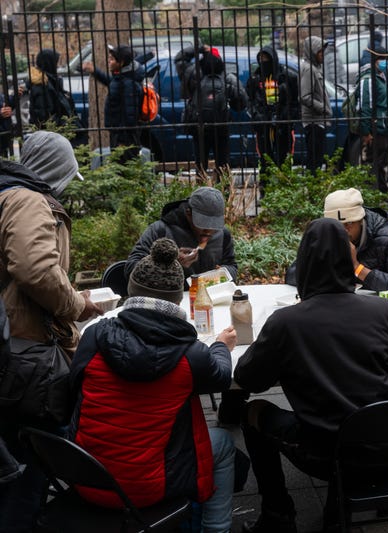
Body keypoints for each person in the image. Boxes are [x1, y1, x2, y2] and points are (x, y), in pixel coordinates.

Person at [234, 218, 388, 532]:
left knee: (251, 413)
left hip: (324, 454)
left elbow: (248, 380)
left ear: (304, 263)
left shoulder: (286, 322)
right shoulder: (385, 312)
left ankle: (278, 516)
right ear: (350, 262)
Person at [69, 238, 237, 533]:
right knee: (223, 442)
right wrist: (221, 346)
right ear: (177, 299)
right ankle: (216, 529)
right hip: (149, 489)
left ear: (132, 291)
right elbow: (222, 377)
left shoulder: (94, 336)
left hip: (82, 475)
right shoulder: (191, 355)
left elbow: (72, 393)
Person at [0, 131, 104, 532]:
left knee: (16, 458)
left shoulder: (9, 194)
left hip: (11, 341)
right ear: (56, 170)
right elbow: (35, 270)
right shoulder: (26, 199)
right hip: (25, 351)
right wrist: (77, 304)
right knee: (32, 463)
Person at [286, 188, 388, 298]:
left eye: (349, 224)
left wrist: (357, 268)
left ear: (361, 220)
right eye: (336, 226)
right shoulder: (325, 235)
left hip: (377, 309)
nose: (343, 231)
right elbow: (292, 275)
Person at [125, 186, 237, 284]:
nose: (209, 231)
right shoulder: (160, 230)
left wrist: (223, 273)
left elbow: (231, 265)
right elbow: (131, 268)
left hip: (211, 301)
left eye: (214, 225)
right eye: (203, 224)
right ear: (188, 213)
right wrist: (171, 263)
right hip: (169, 302)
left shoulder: (223, 234)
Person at [183, 46, 248, 178]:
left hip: (199, 128)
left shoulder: (195, 77)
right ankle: (224, 193)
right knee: (223, 164)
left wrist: (199, 48)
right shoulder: (228, 78)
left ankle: (200, 193)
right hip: (221, 128)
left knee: (201, 165)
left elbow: (180, 59)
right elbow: (242, 102)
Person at [83, 44, 144, 163]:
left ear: (121, 63)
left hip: (124, 136)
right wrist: (94, 71)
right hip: (117, 132)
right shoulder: (122, 77)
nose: (108, 61)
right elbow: (112, 84)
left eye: (112, 59)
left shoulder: (128, 84)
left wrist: (122, 140)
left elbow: (130, 115)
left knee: (124, 166)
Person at [246, 45, 299, 174]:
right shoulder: (255, 78)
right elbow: (249, 101)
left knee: (284, 160)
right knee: (265, 160)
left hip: (283, 124)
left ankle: (285, 187)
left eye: (266, 58)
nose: (264, 62)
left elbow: (295, 101)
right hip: (263, 125)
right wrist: (256, 115)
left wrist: (288, 117)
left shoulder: (287, 76)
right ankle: (265, 189)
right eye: (261, 59)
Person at [354, 45, 388, 192]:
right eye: (384, 59)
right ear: (376, 60)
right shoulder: (369, 79)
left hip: (382, 128)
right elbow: (366, 107)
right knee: (374, 165)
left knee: (380, 164)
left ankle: (382, 195)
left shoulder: (379, 76)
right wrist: (366, 132)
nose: (386, 62)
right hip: (375, 130)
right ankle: (377, 196)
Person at [299, 36, 332, 173]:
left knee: (317, 159)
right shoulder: (309, 69)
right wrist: (322, 108)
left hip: (317, 121)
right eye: (319, 52)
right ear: (312, 52)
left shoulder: (314, 68)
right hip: (313, 121)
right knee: (314, 161)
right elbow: (305, 96)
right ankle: (313, 189)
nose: (322, 55)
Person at [27, 49, 75, 129]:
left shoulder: (52, 81)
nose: (57, 66)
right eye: (55, 63)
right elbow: (44, 116)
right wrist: (62, 125)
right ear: (49, 64)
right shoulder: (41, 85)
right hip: (53, 133)